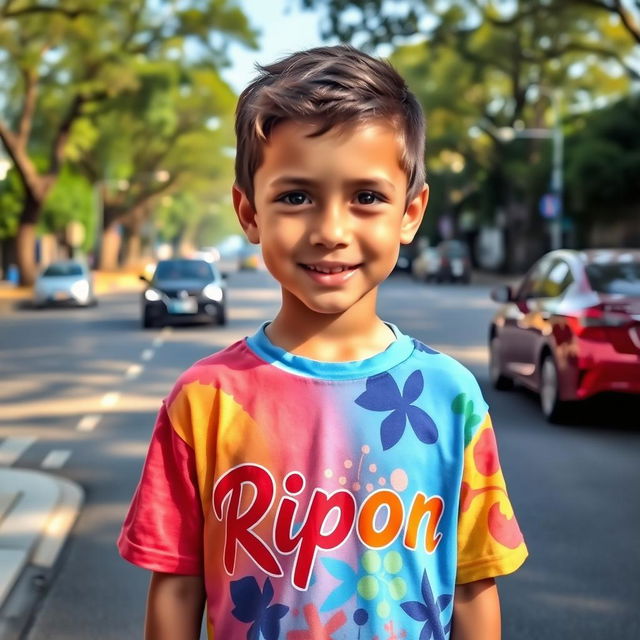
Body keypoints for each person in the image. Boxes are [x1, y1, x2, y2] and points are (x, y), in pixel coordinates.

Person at [118, 45, 528, 640]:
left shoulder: (450, 397)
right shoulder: (204, 399)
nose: (331, 231)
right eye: (295, 197)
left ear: (410, 213)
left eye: (366, 197)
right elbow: (177, 586)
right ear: (248, 210)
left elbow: (472, 585)